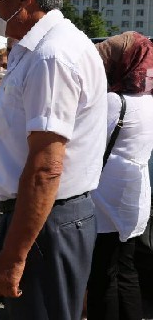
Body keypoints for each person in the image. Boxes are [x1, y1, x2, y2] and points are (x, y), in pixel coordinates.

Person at [0, 0, 107, 319]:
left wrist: (13, 256)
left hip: (46, 222)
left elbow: (46, 167)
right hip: (46, 218)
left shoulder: (51, 56)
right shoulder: (35, 49)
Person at [86, 32, 153, 320]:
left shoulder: (114, 103)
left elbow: (86, 142)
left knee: (103, 273)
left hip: (107, 197)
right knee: (127, 269)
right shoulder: (149, 101)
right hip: (134, 195)